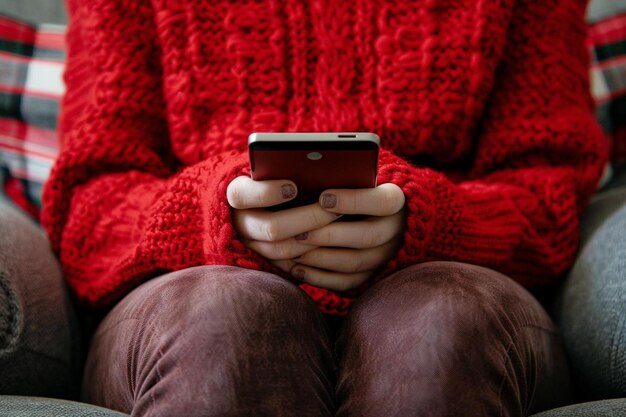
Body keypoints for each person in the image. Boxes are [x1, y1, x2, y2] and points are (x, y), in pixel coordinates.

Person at [40, 0, 608, 415]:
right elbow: (91, 207)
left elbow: (548, 196)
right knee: (221, 319)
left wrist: (434, 221)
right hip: (194, 280)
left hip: (452, 275)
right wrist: (213, 213)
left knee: (435, 323)